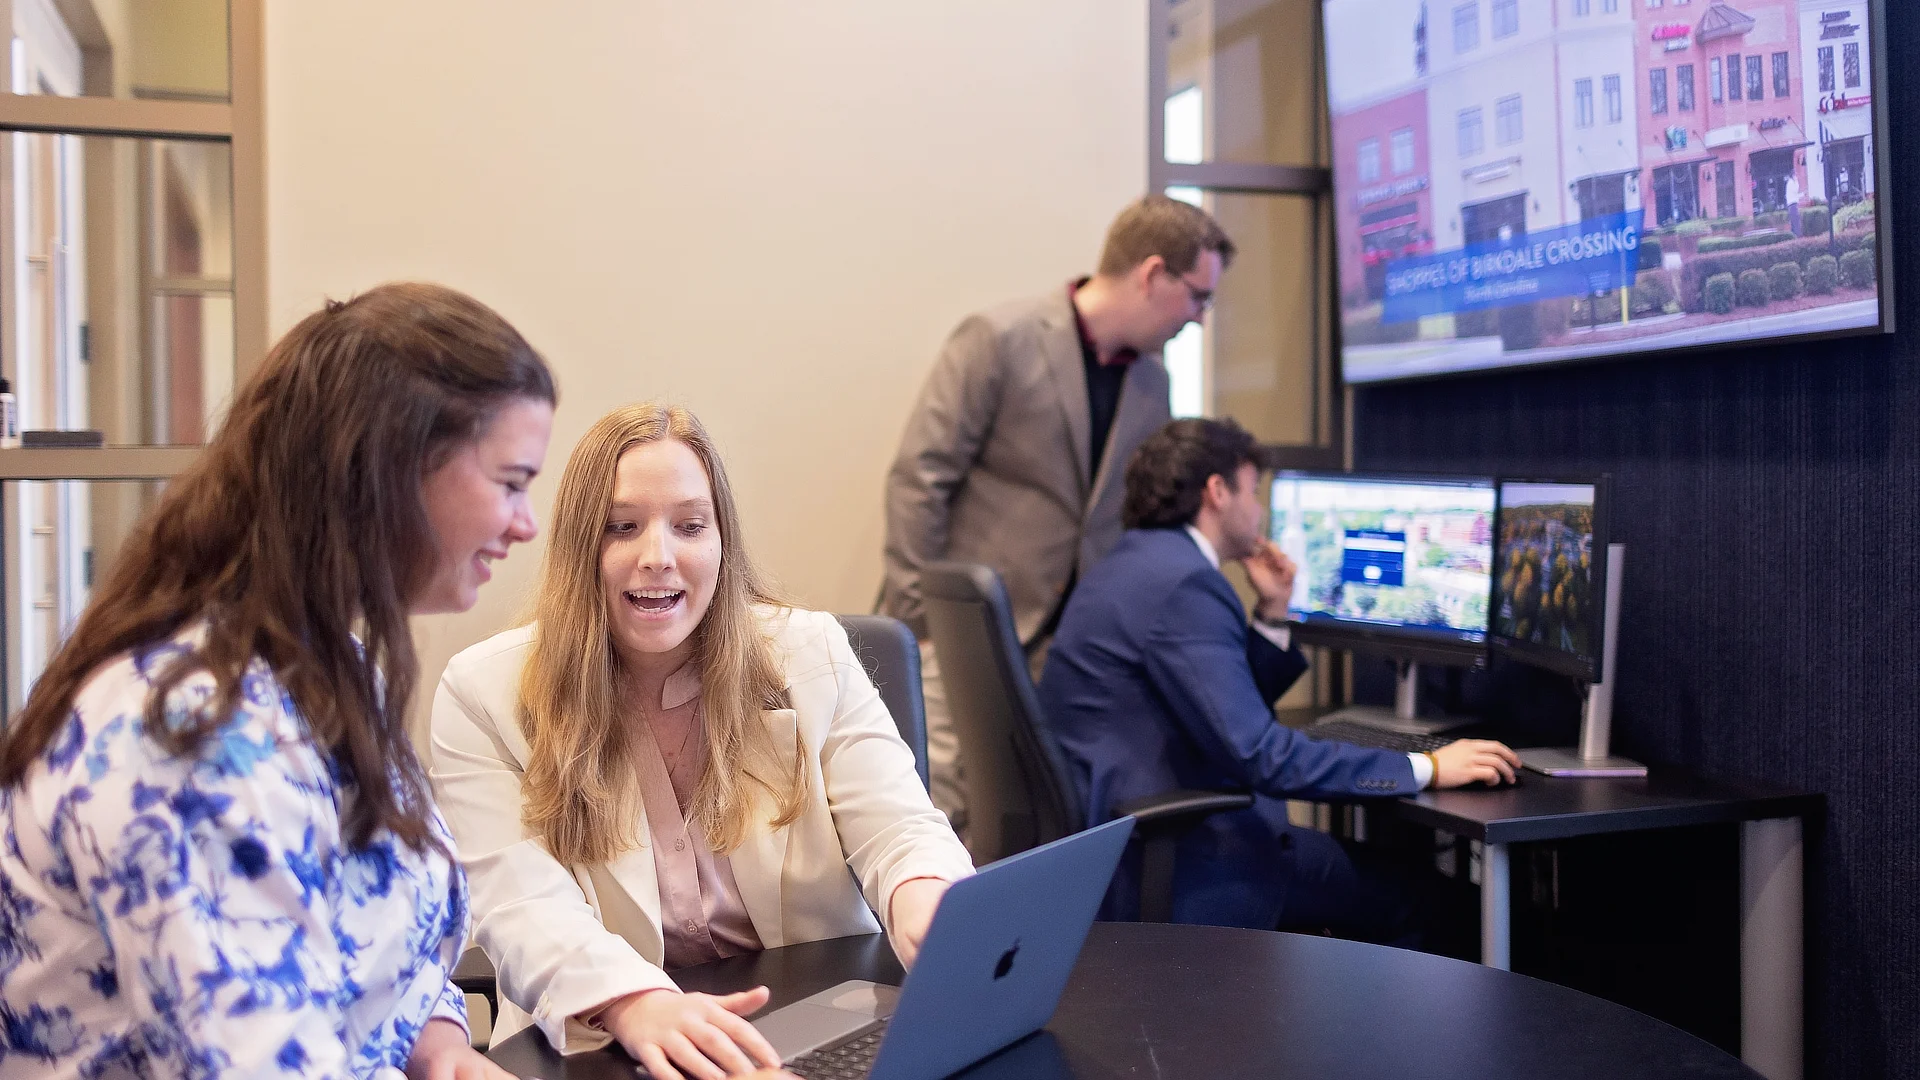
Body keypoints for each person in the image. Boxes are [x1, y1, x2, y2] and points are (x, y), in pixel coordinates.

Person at [0, 283, 557, 1079]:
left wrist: (434, 1042)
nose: (526, 523)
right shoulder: (194, 735)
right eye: (510, 481)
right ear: (389, 468)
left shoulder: (321, 669)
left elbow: (366, 927)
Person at [432, 403, 974, 1078]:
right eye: (621, 528)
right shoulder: (482, 694)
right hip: (609, 1043)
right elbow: (519, 906)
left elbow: (898, 826)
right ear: (579, 547)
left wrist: (925, 895)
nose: (658, 557)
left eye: (690, 525)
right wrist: (634, 1003)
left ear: (722, 543)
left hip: (807, 1023)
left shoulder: (810, 653)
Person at [1037, 417, 1521, 941]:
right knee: (1433, 904)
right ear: (1217, 492)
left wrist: (1271, 613)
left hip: (1126, 846)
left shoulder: (1134, 563)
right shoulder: (1186, 584)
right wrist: (1424, 766)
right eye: (1253, 490)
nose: (1260, 510)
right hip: (1191, 861)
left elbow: (1215, 706)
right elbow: (1260, 754)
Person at [881, 194, 1235, 836]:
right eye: (1197, 297)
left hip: (1063, 645)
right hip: (959, 632)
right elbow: (919, 478)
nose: (1201, 318)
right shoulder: (998, 339)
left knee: (1030, 822)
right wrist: (918, 617)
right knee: (940, 820)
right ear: (1152, 273)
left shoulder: (1153, 384)